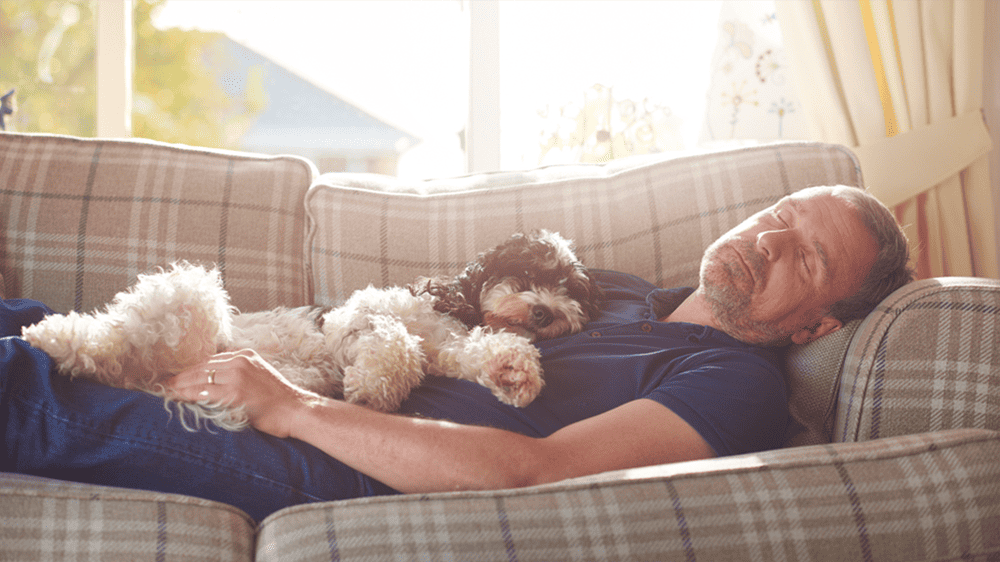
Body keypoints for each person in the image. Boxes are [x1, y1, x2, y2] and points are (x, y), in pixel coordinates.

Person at [1, 185, 913, 521]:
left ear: (818, 327)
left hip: (332, 457)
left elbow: (537, 470)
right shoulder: (624, 290)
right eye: (780, 215)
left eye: (808, 256)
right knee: (35, 322)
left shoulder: (733, 381)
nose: (769, 240)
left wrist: (294, 406)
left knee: (29, 392)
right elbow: (447, 310)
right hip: (311, 361)